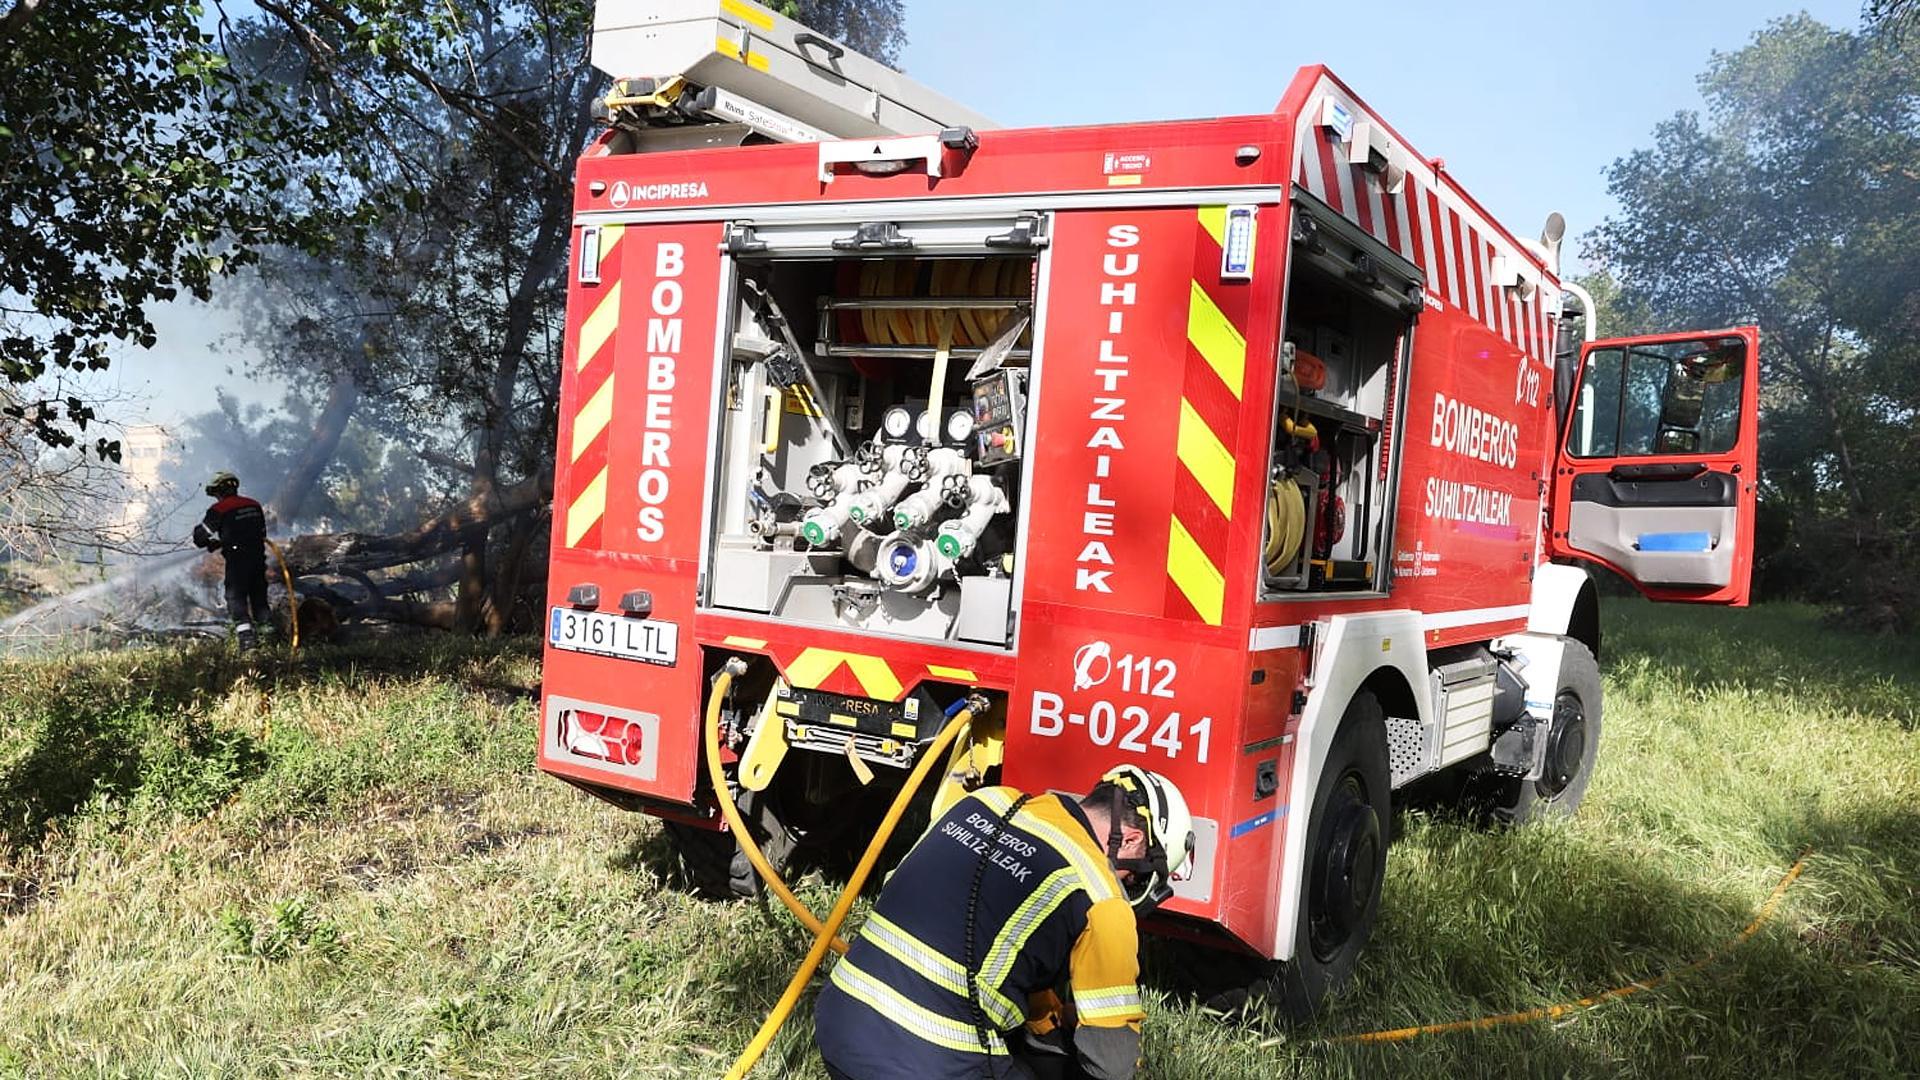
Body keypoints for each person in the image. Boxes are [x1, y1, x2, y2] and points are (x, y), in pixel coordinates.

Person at [814, 764, 1195, 1080]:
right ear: (1130, 840)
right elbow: (1111, 1066)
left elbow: (987, 934)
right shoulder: (1103, 898)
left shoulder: (985, 802)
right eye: (1138, 875)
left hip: (840, 1022)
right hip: (932, 1061)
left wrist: (1047, 1020)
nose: (1128, 881)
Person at [192, 470, 271, 649]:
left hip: (237, 562)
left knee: (235, 598)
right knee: (259, 598)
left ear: (219, 491)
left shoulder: (219, 509)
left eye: (215, 494)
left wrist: (211, 541)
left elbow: (200, 537)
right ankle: (270, 637)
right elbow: (259, 533)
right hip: (258, 558)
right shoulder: (254, 505)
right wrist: (223, 542)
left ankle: (247, 641)